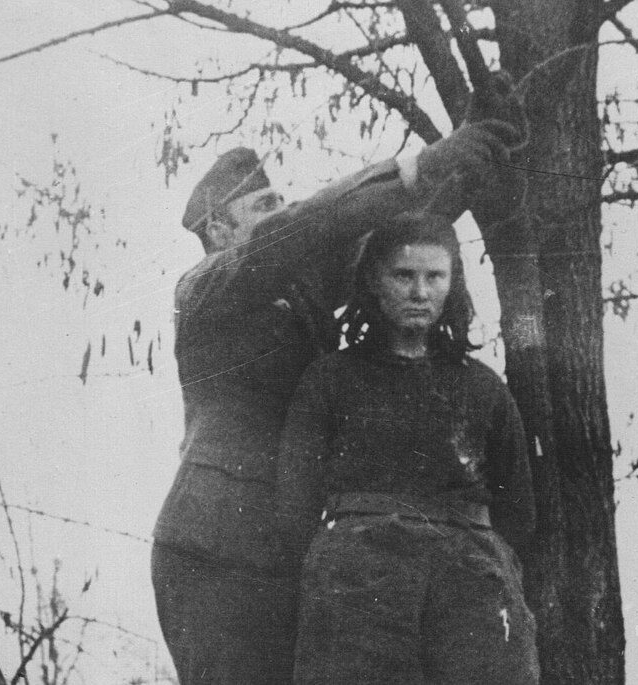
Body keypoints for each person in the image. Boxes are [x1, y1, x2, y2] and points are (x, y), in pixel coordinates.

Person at [151, 97, 526, 683]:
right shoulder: (203, 288)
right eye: (264, 205)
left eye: (280, 201)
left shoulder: (294, 292)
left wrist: (467, 163)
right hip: (216, 552)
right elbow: (307, 228)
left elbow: (381, 247)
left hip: (287, 551)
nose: (282, 210)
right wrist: (419, 167)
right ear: (218, 229)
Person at [276, 213, 539, 684]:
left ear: (452, 285)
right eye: (403, 275)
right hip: (360, 591)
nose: (420, 292)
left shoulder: (484, 389)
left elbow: (518, 512)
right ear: (374, 282)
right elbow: (295, 507)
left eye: (434, 276)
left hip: (469, 596)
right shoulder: (330, 380)